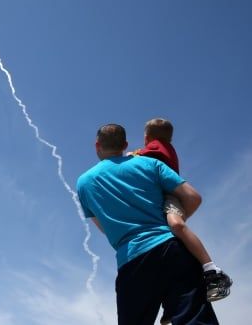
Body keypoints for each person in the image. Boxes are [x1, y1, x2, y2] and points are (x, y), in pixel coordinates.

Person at [77, 124, 219, 325]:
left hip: (131, 262)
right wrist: (174, 221)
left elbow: (102, 227)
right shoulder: (150, 164)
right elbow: (192, 197)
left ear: (97, 145)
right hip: (172, 251)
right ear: (125, 144)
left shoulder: (83, 183)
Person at [132, 118, 232, 302]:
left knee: (176, 225)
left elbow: (141, 158)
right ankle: (170, 302)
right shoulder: (164, 146)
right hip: (160, 197)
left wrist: (130, 156)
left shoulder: (158, 147)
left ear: (147, 137)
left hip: (171, 196)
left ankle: (211, 269)